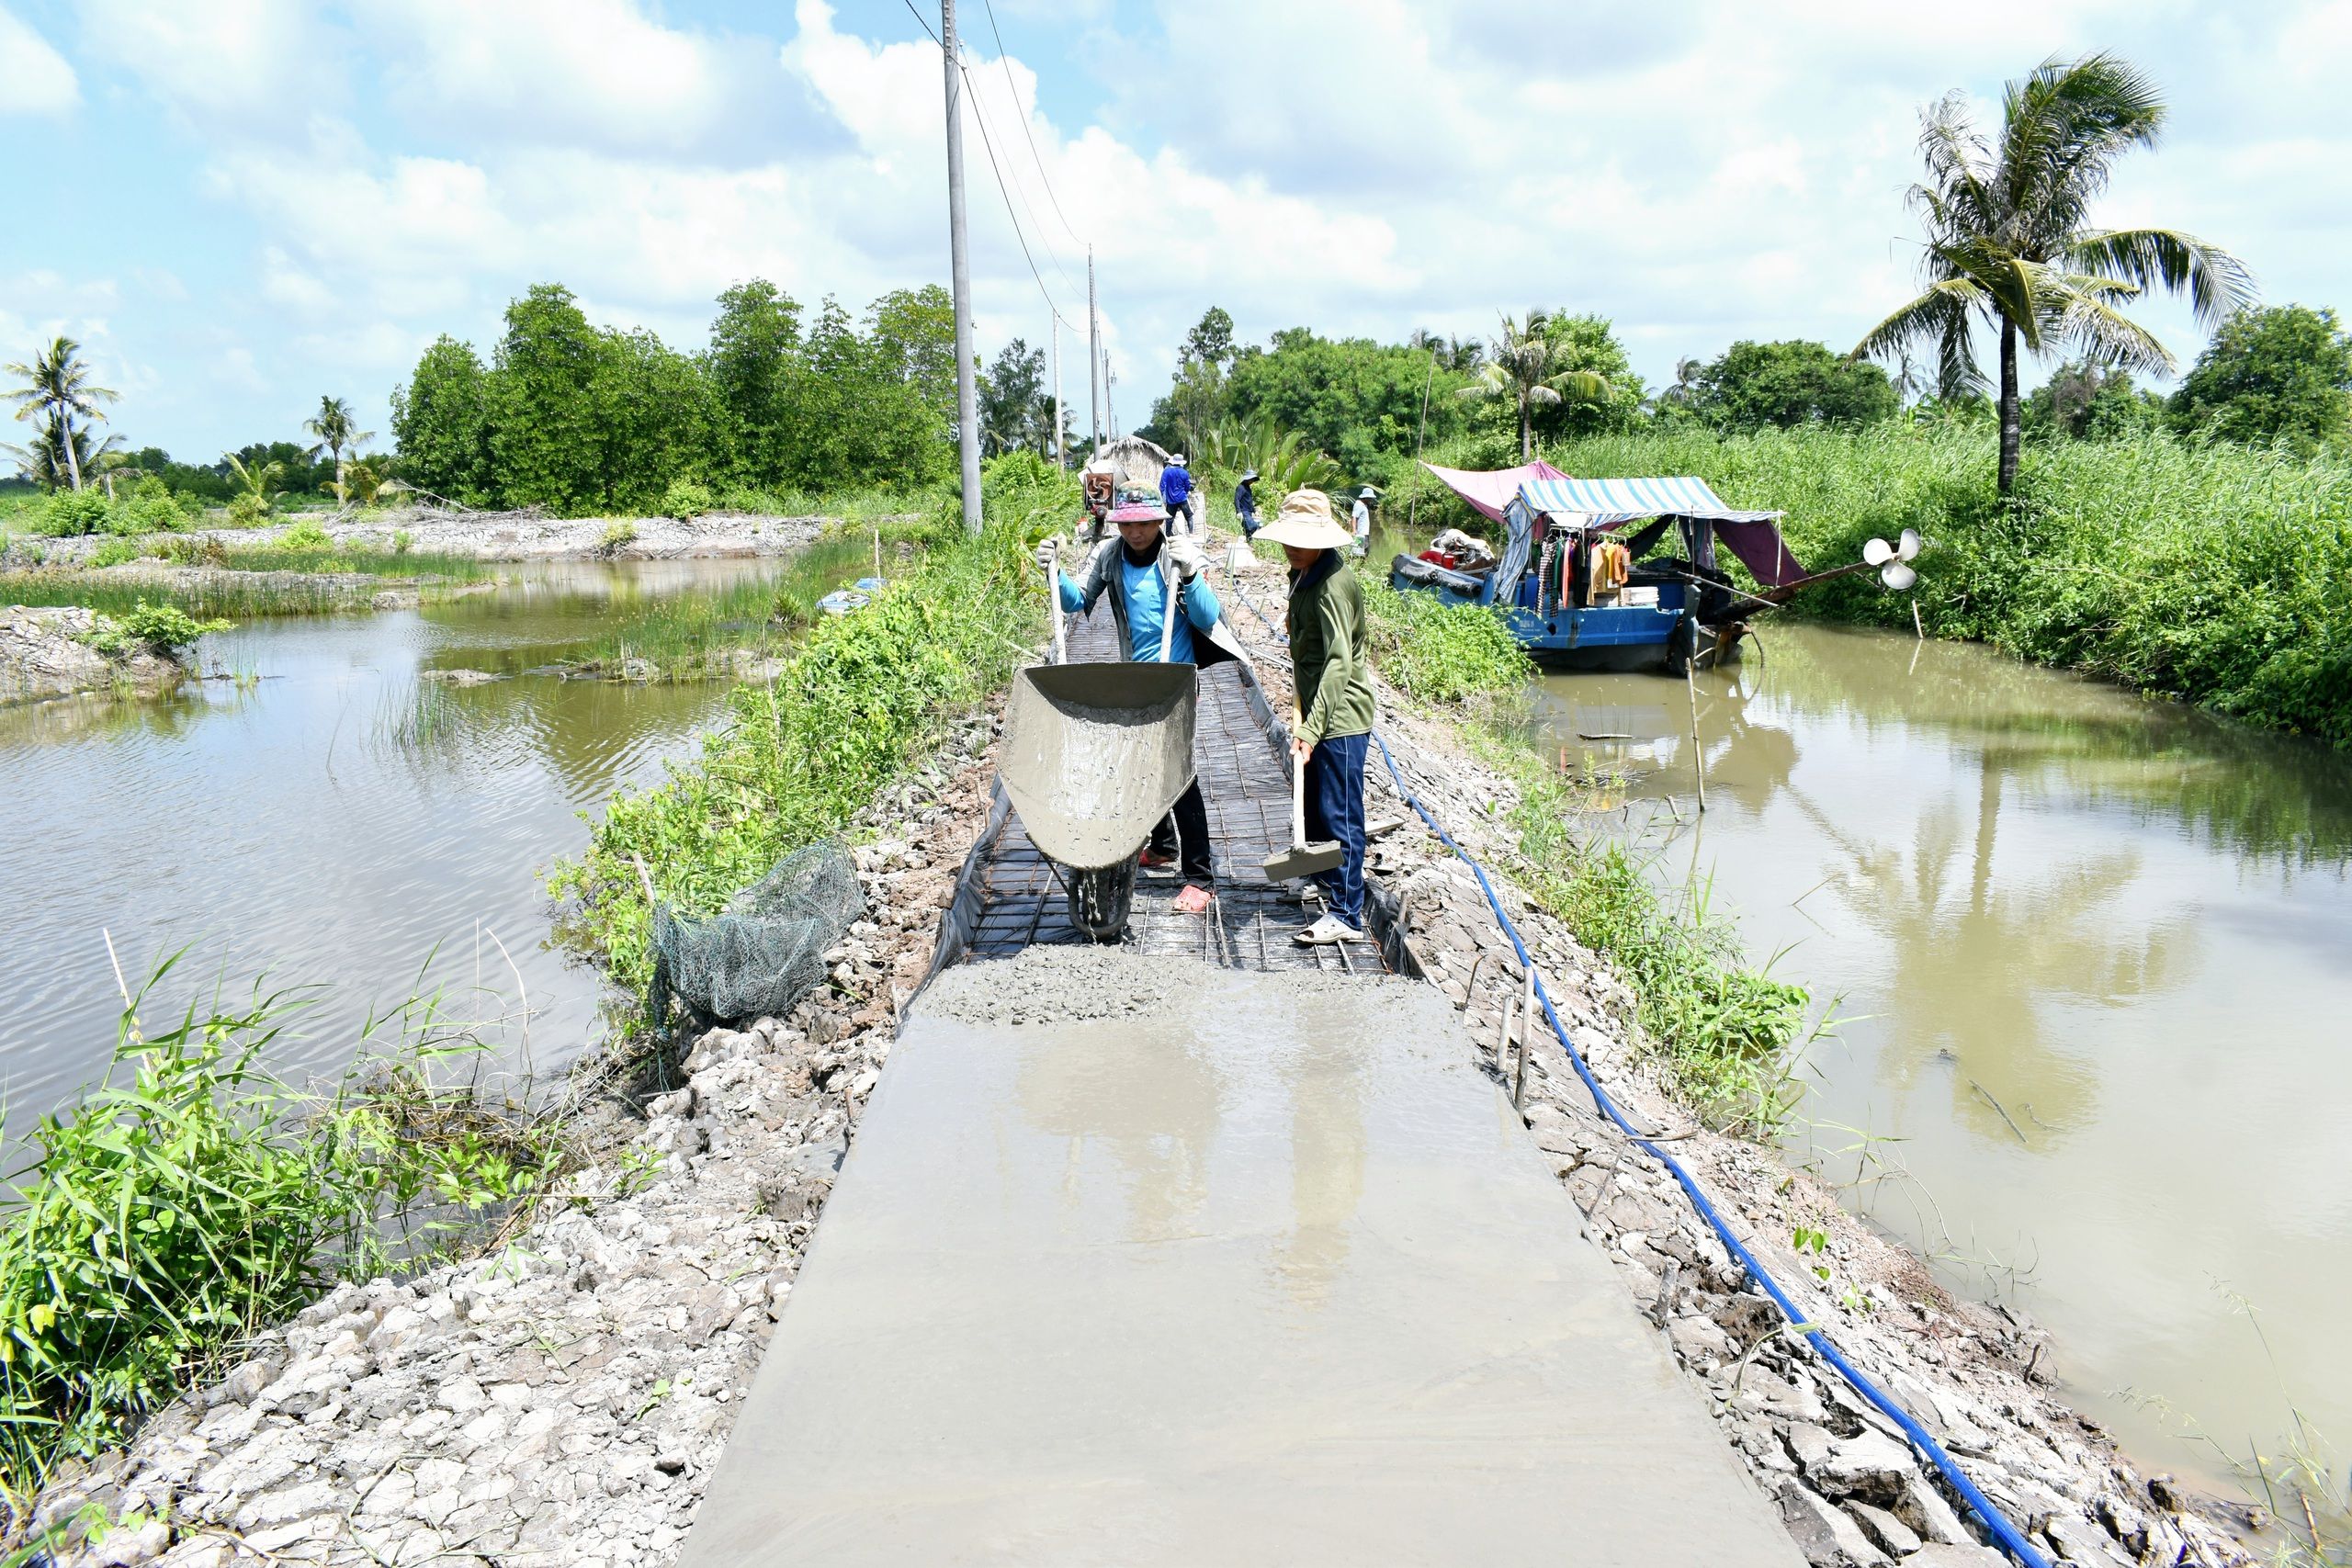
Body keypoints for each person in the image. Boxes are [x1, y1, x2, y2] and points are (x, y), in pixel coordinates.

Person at [1035, 509, 1251, 916]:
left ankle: (1201, 878)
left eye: (1144, 523)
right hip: (1136, 675)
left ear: (1158, 522)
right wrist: (1054, 570)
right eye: (1126, 524)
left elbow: (1207, 616)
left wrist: (1190, 574)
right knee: (1139, 762)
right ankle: (1164, 845)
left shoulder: (1176, 554)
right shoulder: (1110, 556)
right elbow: (1077, 600)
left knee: (1179, 773)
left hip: (1175, 677)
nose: (1135, 532)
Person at [1253, 490, 1375, 945]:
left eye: (1300, 541)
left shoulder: (1330, 587)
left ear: (1323, 540)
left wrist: (1312, 727)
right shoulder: (1303, 573)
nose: (1290, 547)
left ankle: (1347, 914)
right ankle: (1325, 882)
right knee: (1318, 812)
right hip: (1318, 710)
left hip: (1340, 716)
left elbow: (1340, 662)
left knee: (1340, 814)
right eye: (1287, 539)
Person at [1159, 453, 1194, 536]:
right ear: (1181, 463)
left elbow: (1162, 486)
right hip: (1182, 499)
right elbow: (1187, 486)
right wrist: (1185, 493)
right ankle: (1191, 533)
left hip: (1171, 500)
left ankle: (1167, 535)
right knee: (1189, 516)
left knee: (1169, 519)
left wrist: (1162, 496)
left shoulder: (1167, 471)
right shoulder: (1184, 472)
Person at [1233, 468, 1261, 537]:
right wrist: (1238, 511)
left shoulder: (1248, 488)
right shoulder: (1241, 487)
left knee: (1251, 529)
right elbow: (1236, 499)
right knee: (1252, 526)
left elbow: (1249, 502)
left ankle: (1248, 542)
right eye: (1251, 479)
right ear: (1247, 479)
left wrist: (1255, 511)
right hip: (1244, 512)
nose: (1252, 481)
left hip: (1249, 512)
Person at [1350, 486, 1376, 558]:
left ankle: (1360, 567)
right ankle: (1358, 567)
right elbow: (1354, 517)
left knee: (1365, 551)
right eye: (1370, 498)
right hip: (1360, 534)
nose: (1371, 500)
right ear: (1365, 497)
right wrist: (1354, 530)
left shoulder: (1364, 505)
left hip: (1364, 533)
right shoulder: (1359, 505)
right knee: (1360, 552)